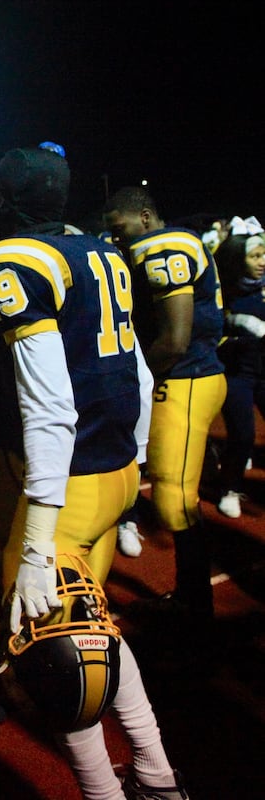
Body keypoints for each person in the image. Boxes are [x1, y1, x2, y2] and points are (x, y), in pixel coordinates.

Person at [0, 147, 188, 800]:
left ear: (2, 200)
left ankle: (105, 791)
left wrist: (37, 543)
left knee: (59, 658)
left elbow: (51, 405)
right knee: (98, 630)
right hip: (114, 469)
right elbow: (139, 371)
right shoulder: (100, 252)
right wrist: (136, 464)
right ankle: (156, 773)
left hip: (74, 485)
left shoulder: (14, 261)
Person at [104, 186, 226, 623]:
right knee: (166, 488)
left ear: (144, 216)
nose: (118, 240)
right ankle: (192, 600)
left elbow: (174, 340)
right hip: (181, 379)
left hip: (185, 378)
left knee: (175, 499)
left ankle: (198, 609)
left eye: (120, 229)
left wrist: (126, 377)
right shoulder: (160, 243)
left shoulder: (164, 245)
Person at [210, 222, 264, 518]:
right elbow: (210, 334)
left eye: (263, 255)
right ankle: (229, 487)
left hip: (263, 371)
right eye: (255, 256)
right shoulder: (224, 293)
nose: (262, 262)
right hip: (236, 374)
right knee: (243, 435)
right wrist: (239, 330)